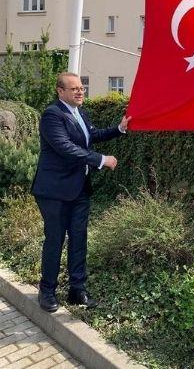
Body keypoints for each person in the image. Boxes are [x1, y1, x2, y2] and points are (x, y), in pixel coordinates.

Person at [31, 72, 129, 312]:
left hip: (79, 189)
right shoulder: (52, 115)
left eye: (82, 88)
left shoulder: (80, 113)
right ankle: (47, 291)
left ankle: (77, 290)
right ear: (60, 91)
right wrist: (100, 159)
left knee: (79, 239)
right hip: (54, 191)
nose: (80, 92)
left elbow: (91, 136)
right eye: (74, 88)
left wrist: (119, 128)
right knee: (55, 240)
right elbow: (65, 147)